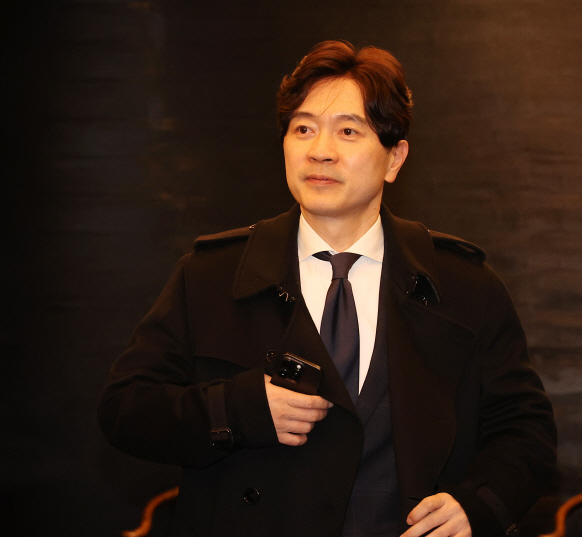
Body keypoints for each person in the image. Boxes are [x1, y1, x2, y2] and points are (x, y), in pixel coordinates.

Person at [98, 40, 556, 537]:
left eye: (348, 131)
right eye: (303, 129)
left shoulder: (463, 285)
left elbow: (525, 428)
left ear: (394, 158)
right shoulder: (211, 276)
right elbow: (126, 409)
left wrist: (479, 504)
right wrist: (239, 410)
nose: (320, 150)